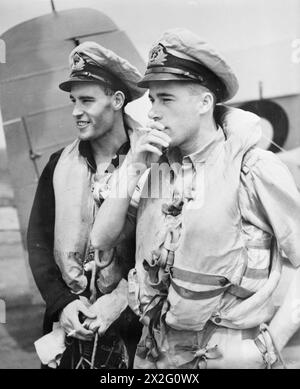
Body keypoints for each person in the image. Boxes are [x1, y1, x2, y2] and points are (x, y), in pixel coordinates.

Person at [90, 28, 300, 369]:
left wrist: (270, 344)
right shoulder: (157, 169)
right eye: (152, 99)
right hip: (155, 352)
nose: (153, 112)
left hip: (224, 353)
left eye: (166, 99)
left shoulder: (254, 167)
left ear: (205, 103)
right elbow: (101, 239)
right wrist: (132, 166)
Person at [27, 41, 145, 369]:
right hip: (70, 335)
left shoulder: (156, 164)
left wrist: (120, 298)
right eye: (73, 101)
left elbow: (167, 250)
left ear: (117, 100)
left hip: (134, 337)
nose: (76, 111)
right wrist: (62, 304)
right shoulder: (57, 164)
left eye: (87, 100)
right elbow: (37, 245)